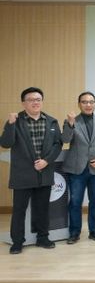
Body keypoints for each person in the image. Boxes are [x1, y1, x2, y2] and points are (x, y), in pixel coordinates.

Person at [0, 87, 63, 254]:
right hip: (22, 174)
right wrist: (10, 124)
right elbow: (5, 143)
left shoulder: (51, 121)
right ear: (23, 103)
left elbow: (58, 144)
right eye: (31, 100)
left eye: (38, 99)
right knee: (19, 210)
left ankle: (43, 237)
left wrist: (46, 161)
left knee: (42, 208)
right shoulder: (16, 120)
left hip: (44, 172)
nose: (35, 102)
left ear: (42, 101)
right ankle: (17, 242)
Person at [62, 91, 95, 244]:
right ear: (79, 104)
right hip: (77, 169)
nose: (88, 105)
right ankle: (74, 233)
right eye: (84, 102)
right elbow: (65, 139)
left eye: (91, 102)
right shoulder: (71, 121)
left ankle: (94, 231)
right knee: (75, 202)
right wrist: (70, 124)